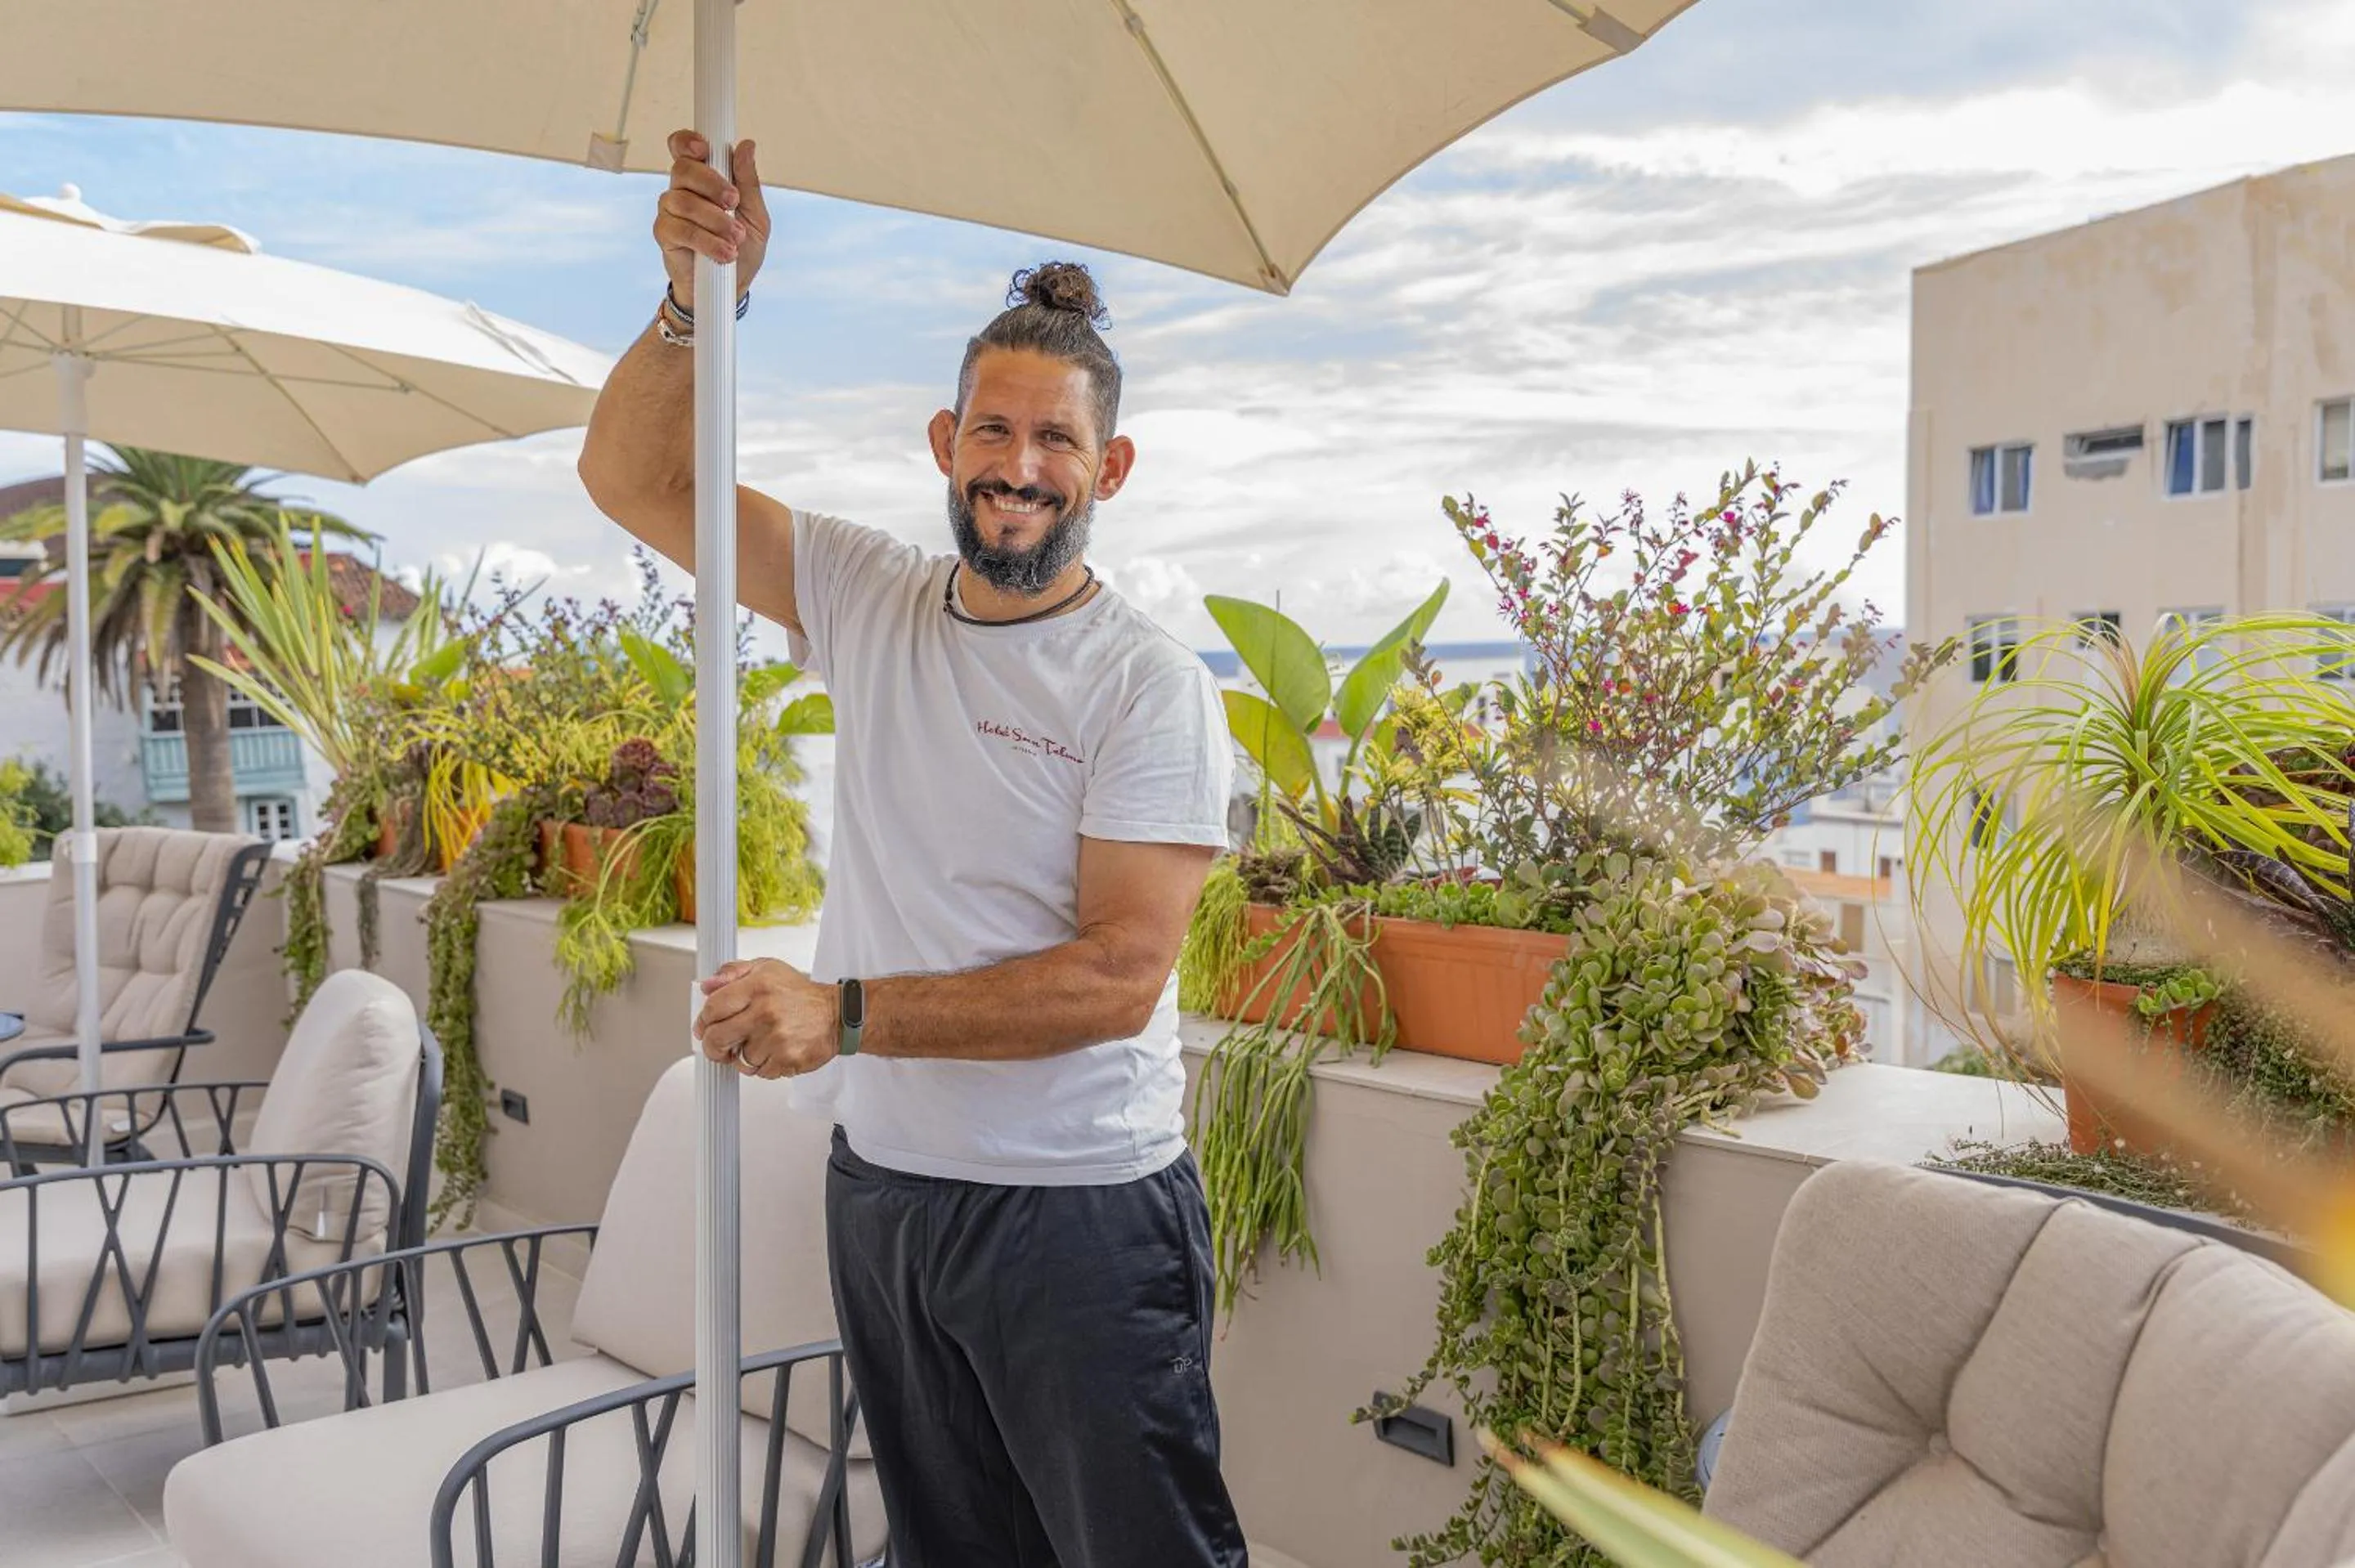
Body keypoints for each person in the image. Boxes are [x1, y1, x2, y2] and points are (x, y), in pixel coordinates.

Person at [576, 129, 1248, 1568]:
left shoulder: (1146, 682)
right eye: (993, 431)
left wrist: (846, 1012)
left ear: (1109, 465)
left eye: (1056, 438)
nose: (1020, 467)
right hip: (884, 1187)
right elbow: (637, 482)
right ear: (944, 443)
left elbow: (1120, 975)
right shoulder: (865, 592)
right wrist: (699, 302)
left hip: (1078, 1213)